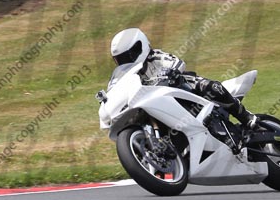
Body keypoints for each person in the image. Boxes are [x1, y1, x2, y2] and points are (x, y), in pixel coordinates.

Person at [110, 28, 257, 131]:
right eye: (121, 59)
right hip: (157, 106)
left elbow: (177, 62)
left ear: (140, 47)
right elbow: (117, 90)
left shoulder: (155, 57)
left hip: (180, 89)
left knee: (211, 87)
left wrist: (170, 73)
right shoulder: (126, 77)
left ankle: (245, 117)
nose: (126, 61)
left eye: (128, 56)